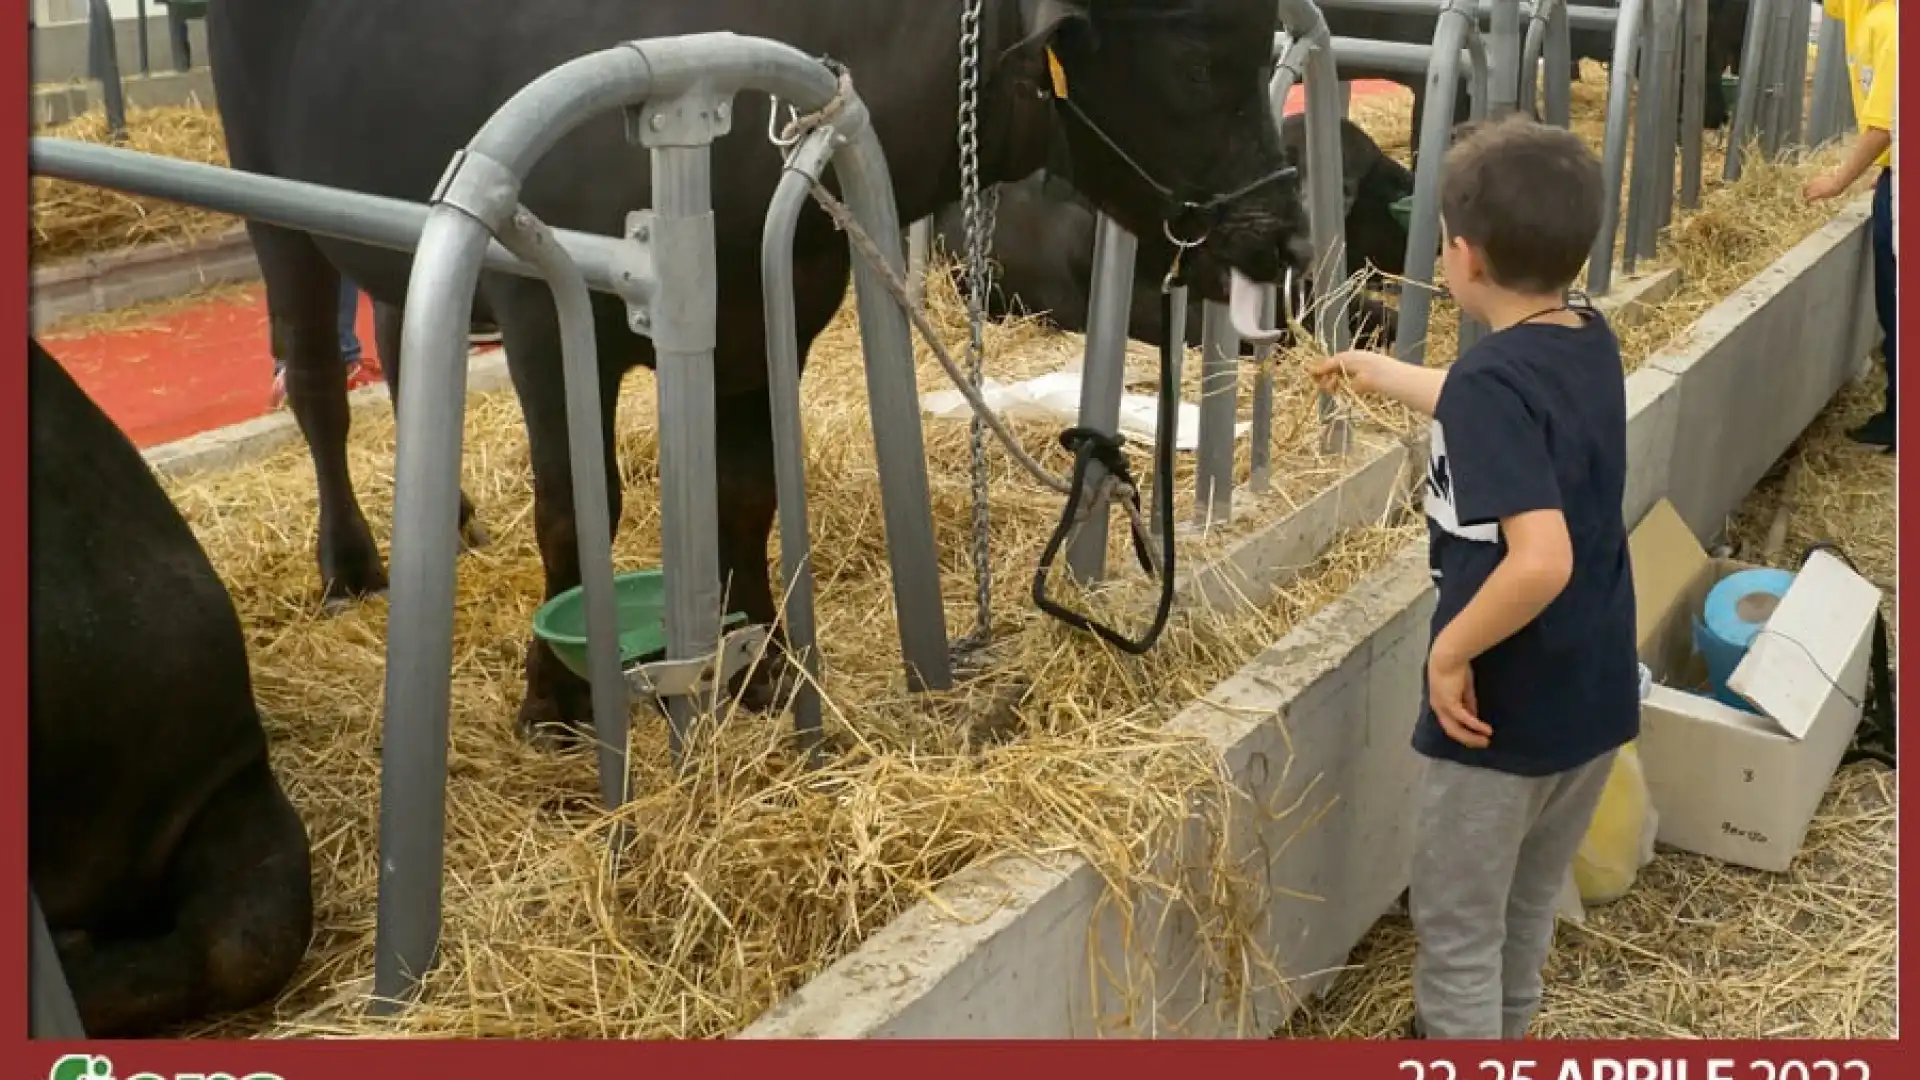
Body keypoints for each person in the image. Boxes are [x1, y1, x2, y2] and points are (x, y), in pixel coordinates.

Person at [1306, 115, 1638, 1041]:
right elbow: (1502, 402)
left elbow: (1541, 559)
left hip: (1500, 713)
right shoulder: (1581, 335)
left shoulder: (1498, 384)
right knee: (1523, 917)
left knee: (1455, 931)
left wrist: (1449, 653)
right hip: (1593, 695)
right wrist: (1389, 373)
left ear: (1463, 258)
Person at [1803, 0, 1897, 452]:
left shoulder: (1894, 24)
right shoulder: (1866, 12)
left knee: (1897, 305)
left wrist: (1838, 180)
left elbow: (1885, 126)